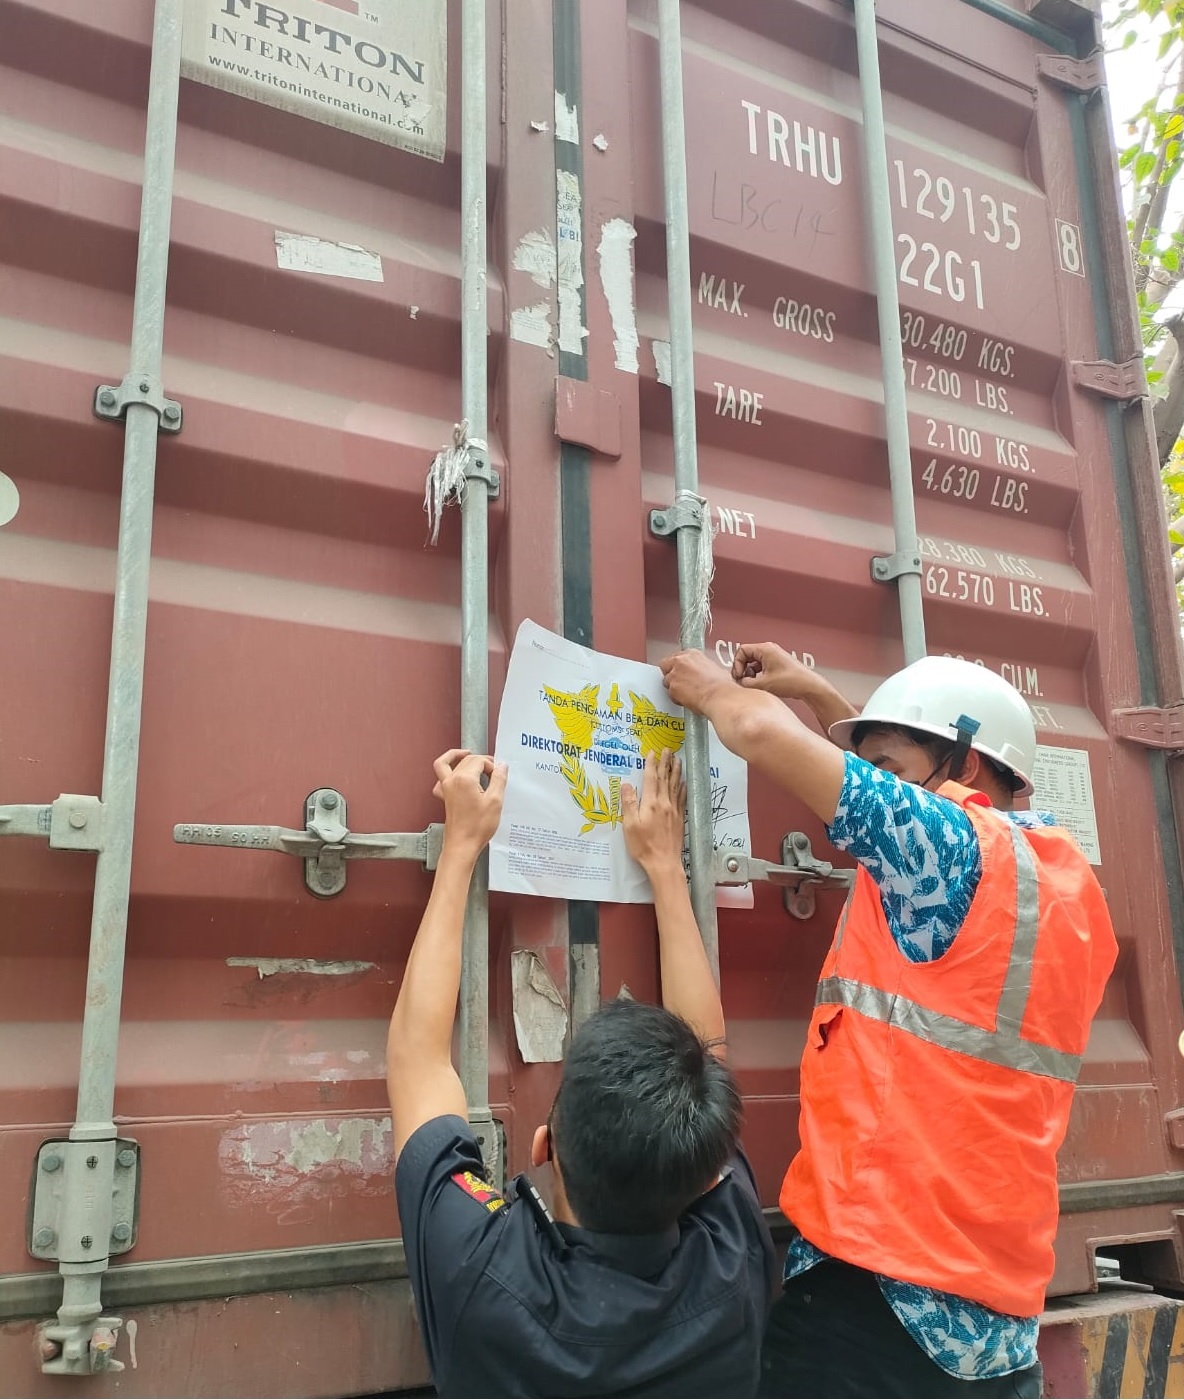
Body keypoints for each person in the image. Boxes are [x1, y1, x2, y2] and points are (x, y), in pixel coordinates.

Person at [659, 645, 1119, 1400]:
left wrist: (706, 686)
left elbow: (760, 733)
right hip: (993, 1305)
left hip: (881, 1293)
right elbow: (894, 791)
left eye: (890, 771)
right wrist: (816, 691)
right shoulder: (1060, 885)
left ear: (967, 764)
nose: (875, 788)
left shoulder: (948, 851)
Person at [387, 747, 776, 1398]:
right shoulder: (732, 1267)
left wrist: (458, 850)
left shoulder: (483, 1276)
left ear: (543, 1146)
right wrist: (667, 868)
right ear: (708, 1172)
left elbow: (420, 1061)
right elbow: (704, 1065)